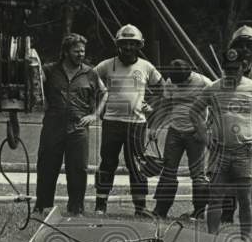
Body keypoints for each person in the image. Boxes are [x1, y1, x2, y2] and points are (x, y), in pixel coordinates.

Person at [191, 46, 252, 239]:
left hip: (244, 151)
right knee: (215, 198)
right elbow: (194, 112)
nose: (231, 72)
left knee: (245, 199)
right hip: (219, 151)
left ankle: (245, 239)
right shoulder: (213, 88)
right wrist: (206, 139)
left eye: (235, 68)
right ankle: (211, 238)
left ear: (244, 66)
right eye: (228, 69)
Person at [92, 24, 163, 217]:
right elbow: (89, 81)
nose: (128, 48)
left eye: (133, 44)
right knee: (107, 163)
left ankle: (140, 207)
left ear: (139, 46)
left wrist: (152, 105)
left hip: (136, 124)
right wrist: (99, 104)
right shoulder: (106, 65)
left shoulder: (146, 67)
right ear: (118, 45)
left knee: (137, 164)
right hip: (112, 122)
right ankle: (100, 204)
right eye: (125, 44)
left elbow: (161, 89)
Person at [34, 33, 106, 216]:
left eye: (82, 51)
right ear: (66, 52)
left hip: (78, 127)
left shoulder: (90, 72)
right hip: (53, 125)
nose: (80, 54)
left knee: (78, 169)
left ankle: (76, 208)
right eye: (76, 51)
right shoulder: (50, 70)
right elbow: (36, 84)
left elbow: (104, 93)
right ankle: (42, 205)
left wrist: (94, 115)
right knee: (47, 165)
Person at [220, 25, 252, 226]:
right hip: (232, 120)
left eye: (249, 46)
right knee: (229, 167)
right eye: (241, 45)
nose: (245, 50)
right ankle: (227, 213)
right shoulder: (229, 63)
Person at [151, 59, 212, 219]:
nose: (180, 86)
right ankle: (160, 210)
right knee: (168, 171)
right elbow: (165, 105)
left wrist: (205, 129)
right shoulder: (171, 82)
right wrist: (154, 127)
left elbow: (217, 108)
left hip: (196, 132)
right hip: (175, 130)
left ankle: (199, 212)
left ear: (190, 74)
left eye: (183, 83)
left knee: (198, 174)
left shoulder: (204, 83)